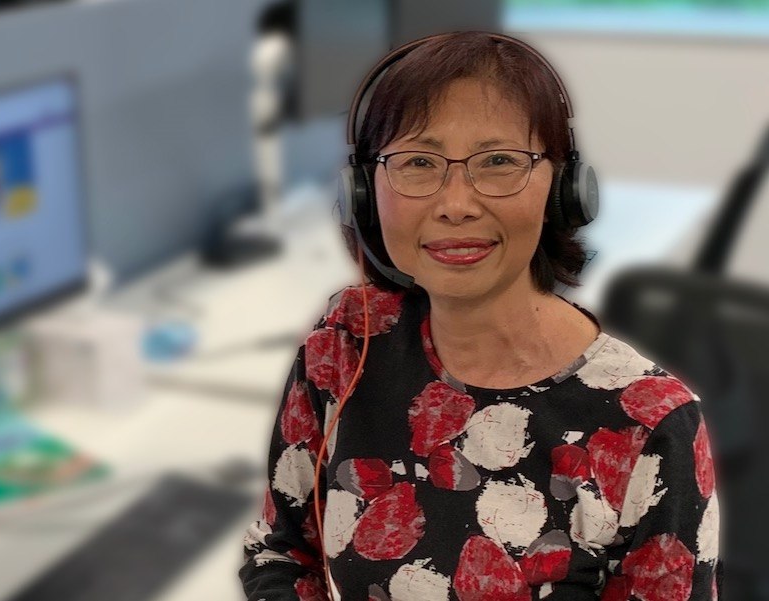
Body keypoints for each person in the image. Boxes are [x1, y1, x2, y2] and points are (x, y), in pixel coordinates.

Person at [240, 31, 720, 601]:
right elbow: (280, 550)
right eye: (418, 162)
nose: (456, 203)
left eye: (498, 162)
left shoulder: (649, 424)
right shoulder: (346, 346)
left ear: (562, 188)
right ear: (364, 193)